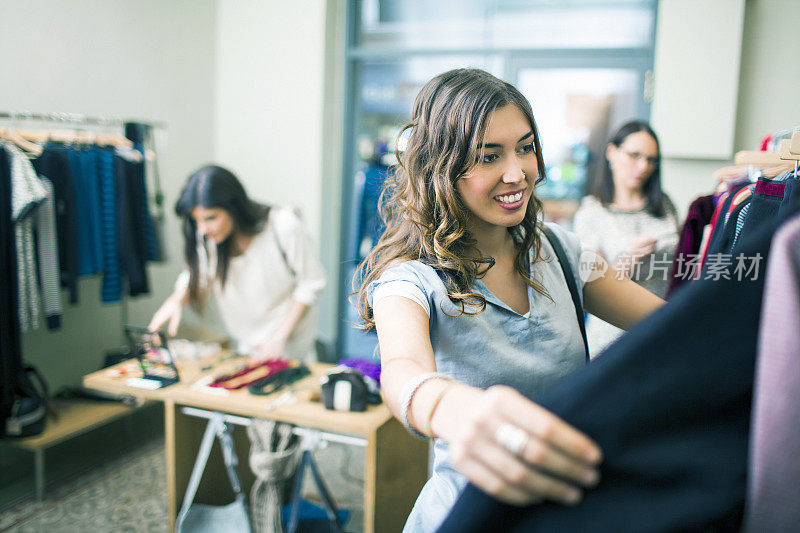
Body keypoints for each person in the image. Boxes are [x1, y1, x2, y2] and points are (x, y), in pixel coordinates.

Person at [353, 69, 666, 532]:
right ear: (442, 166)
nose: (517, 172)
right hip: (467, 516)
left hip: (567, 512)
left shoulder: (561, 250)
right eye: (489, 156)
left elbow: (671, 324)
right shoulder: (411, 281)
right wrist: (457, 409)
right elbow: (402, 373)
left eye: (525, 147)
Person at [148, 165, 326, 363]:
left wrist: (278, 338)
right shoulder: (210, 239)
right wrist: (175, 302)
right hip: (248, 347)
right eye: (196, 220)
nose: (202, 229)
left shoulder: (283, 226)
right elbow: (197, 275)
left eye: (210, 218)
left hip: (292, 348)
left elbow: (311, 283)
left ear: (234, 207)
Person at [572, 121, 679, 356]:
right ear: (612, 153)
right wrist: (628, 259)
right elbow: (590, 285)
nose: (643, 166)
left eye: (651, 160)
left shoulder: (665, 205)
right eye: (634, 155)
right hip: (611, 340)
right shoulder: (592, 213)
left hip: (661, 331)